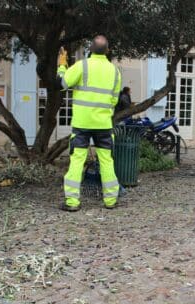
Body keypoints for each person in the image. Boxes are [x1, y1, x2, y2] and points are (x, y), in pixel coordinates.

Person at [57, 35, 121, 211]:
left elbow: (62, 83)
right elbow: (114, 101)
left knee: (77, 160)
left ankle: (72, 202)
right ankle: (110, 201)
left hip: (82, 123)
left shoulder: (82, 66)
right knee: (107, 161)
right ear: (107, 51)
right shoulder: (114, 71)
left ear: (90, 49)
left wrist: (62, 65)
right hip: (104, 124)